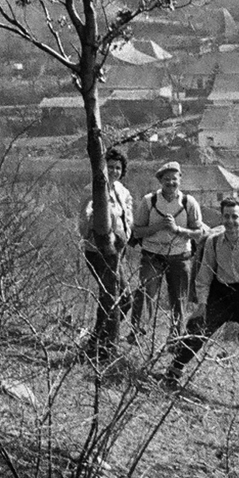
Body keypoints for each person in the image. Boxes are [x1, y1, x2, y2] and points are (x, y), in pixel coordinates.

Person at [164, 196, 239, 407]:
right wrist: (202, 304)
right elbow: (204, 277)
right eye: (226, 216)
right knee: (199, 328)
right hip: (222, 293)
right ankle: (173, 372)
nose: (230, 221)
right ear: (222, 218)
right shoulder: (213, 242)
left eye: (235, 216)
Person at [128, 161, 208, 342]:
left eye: (174, 179)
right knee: (146, 294)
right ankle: (137, 334)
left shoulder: (189, 202)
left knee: (179, 299)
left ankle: (176, 338)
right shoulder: (149, 201)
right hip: (152, 255)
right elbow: (137, 231)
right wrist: (157, 227)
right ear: (160, 181)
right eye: (166, 179)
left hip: (180, 256)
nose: (171, 183)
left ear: (180, 179)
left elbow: (198, 233)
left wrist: (176, 230)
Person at [80, 148, 134, 357]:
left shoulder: (123, 192)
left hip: (118, 250)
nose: (113, 171)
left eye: (118, 168)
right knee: (115, 295)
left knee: (117, 297)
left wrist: (124, 239)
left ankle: (100, 339)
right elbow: (83, 221)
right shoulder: (91, 190)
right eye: (110, 167)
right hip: (98, 250)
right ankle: (101, 343)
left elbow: (128, 221)